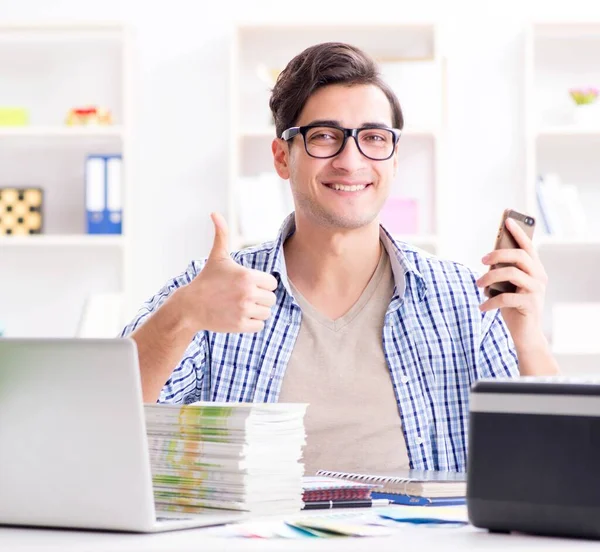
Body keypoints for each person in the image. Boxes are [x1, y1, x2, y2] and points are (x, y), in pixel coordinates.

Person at [121, 42, 559, 474]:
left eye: (373, 138)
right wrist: (181, 315)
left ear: (393, 159)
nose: (351, 161)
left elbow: (553, 463)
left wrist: (530, 339)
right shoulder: (210, 291)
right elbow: (111, 422)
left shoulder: (467, 299)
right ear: (282, 157)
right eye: (325, 137)